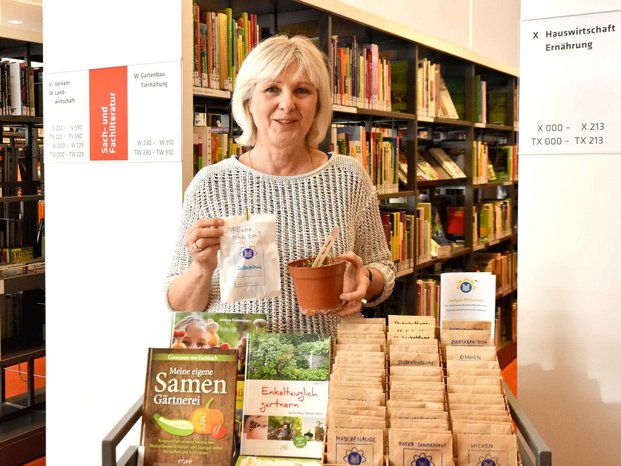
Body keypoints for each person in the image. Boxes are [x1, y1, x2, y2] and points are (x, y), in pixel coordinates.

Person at [166, 34, 395, 338]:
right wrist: (201, 268)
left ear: (318, 104)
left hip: (328, 367)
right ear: (248, 101)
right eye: (272, 89)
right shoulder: (210, 184)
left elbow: (383, 269)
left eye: (302, 90)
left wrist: (366, 278)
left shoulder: (349, 177)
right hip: (241, 369)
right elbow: (180, 306)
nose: (287, 104)